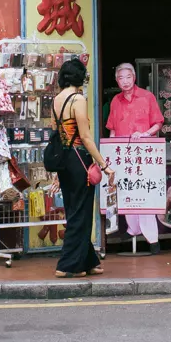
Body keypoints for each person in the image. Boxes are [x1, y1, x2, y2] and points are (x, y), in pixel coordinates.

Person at [49, 58, 111, 278]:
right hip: (79, 161)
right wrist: (104, 165)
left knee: (75, 210)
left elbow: (57, 135)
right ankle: (66, 265)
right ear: (79, 78)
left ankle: (88, 261)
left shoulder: (56, 100)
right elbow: (85, 136)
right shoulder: (78, 99)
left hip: (64, 162)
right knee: (80, 214)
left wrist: (56, 175)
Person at [106, 62, 165, 253]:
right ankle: (133, 229)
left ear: (134, 78)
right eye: (120, 78)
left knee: (145, 194)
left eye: (128, 77)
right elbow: (113, 130)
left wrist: (147, 134)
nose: (124, 81)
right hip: (123, 155)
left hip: (145, 153)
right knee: (126, 192)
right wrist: (109, 154)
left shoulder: (147, 97)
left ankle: (153, 240)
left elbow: (158, 123)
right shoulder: (115, 101)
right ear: (116, 80)